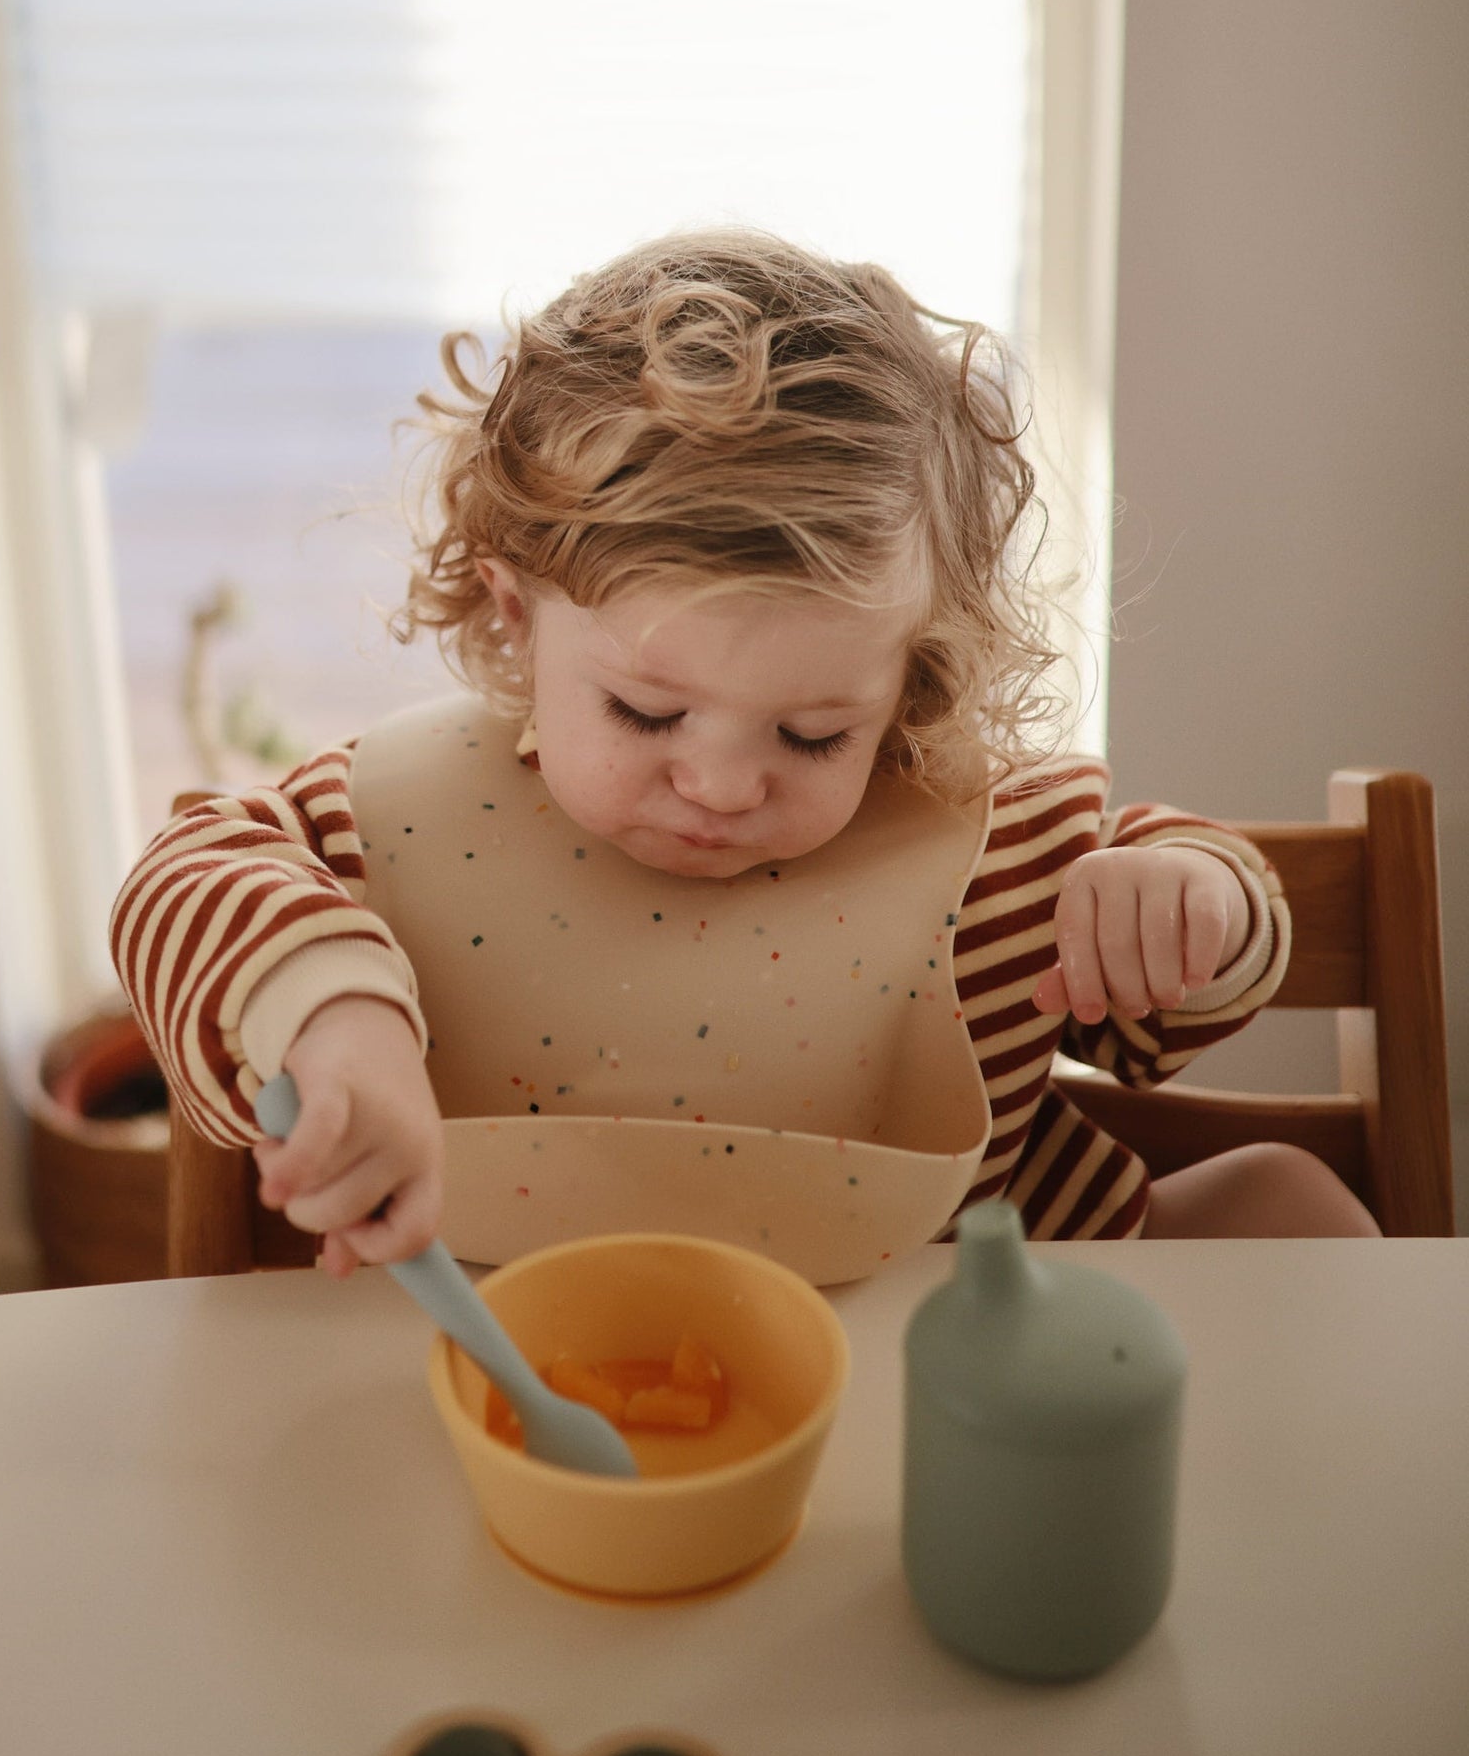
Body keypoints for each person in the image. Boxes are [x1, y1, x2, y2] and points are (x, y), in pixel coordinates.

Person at [111, 231, 1378, 1280]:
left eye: (813, 734)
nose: (719, 786)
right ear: (515, 614)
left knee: (1287, 1208)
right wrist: (333, 1017)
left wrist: (1188, 905)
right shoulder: (382, 834)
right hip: (517, 1374)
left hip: (969, 1380)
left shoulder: (996, 865)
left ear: (908, 679)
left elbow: (1173, 996)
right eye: (644, 713)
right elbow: (181, 878)